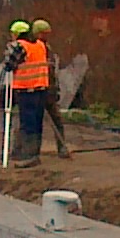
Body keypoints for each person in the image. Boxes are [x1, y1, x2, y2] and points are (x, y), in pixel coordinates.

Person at [8, 19, 50, 163]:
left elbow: (9, 65)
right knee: (36, 122)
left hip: (26, 90)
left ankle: (28, 155)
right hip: (41, 89)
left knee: (27, 123)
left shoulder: (20, 46)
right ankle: (32, 153)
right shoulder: (40, 45)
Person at [32, 19, 72, 158]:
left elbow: (52, 71)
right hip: (37, 90)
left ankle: (61, 148)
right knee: (34, 122)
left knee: (57, 120)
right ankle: (32, 150)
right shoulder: (34, 48)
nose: (47, 36)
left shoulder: (47, 48)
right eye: (44, 33)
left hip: (49, 90)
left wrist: (55, 89)